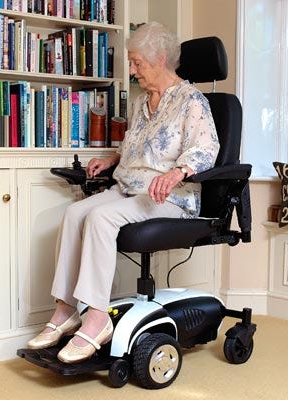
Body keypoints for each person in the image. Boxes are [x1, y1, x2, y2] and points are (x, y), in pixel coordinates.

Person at [27, 22, 220, 364]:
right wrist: (112, 158)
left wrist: (177, 172)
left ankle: (98, 317)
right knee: (75, 213)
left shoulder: (192, 101)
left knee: (100, 217)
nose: (131, 70)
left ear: (160, 59)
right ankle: (66, 309)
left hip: (170, 198)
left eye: (136, 63)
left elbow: (207, 148)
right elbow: (137, 146)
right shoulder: (142, 102)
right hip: (130, 188)